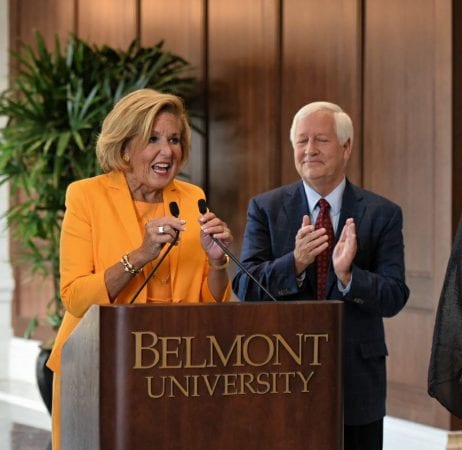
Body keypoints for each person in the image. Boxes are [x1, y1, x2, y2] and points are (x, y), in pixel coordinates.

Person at [46, 88, 233, 448]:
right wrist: (140, 255)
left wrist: (217, 261)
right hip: (97, 368)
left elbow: (210, 302)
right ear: (125, 146)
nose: (168, 151)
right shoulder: (85, 196)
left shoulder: (192, 197)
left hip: (176, 372)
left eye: (174, 139)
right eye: (153, 139)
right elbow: (76, 298)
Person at [232, 101, 409, 450]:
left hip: (356, 381)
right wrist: (294, 263)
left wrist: (348, 276)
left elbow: (394, 296)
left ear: (346, 147)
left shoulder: (382, 213)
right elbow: (244, 286)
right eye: (302, 141)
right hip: (281, 373)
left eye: (321, 140)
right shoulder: (265, 208)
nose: (309, 150)